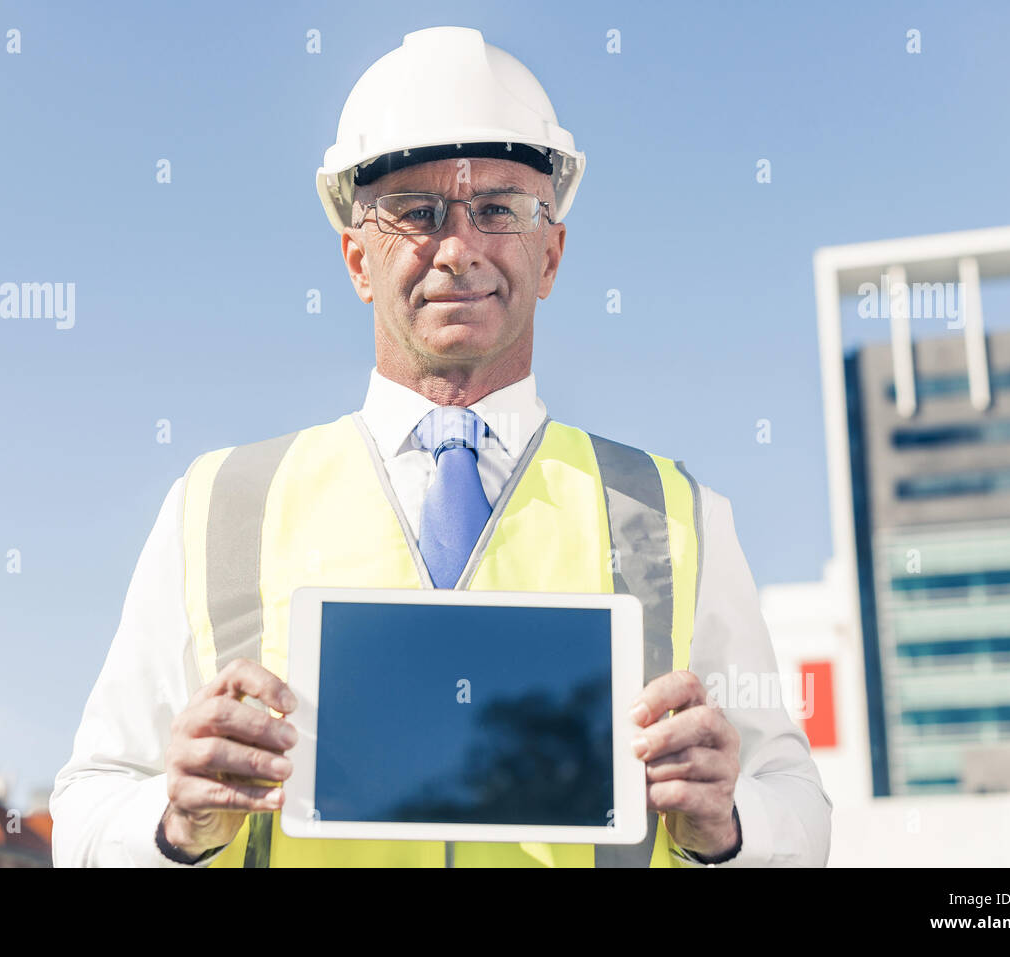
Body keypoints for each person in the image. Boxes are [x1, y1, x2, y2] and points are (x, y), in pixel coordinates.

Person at [50, 25, 831, 868]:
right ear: (356, 258)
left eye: (499, 208)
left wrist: (732, 822)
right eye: (418, 214)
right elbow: (89, 805)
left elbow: (798, 807)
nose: (458, 248)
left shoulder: (676, 515)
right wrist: (174, 824)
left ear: (553, 252)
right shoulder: (219, 507)